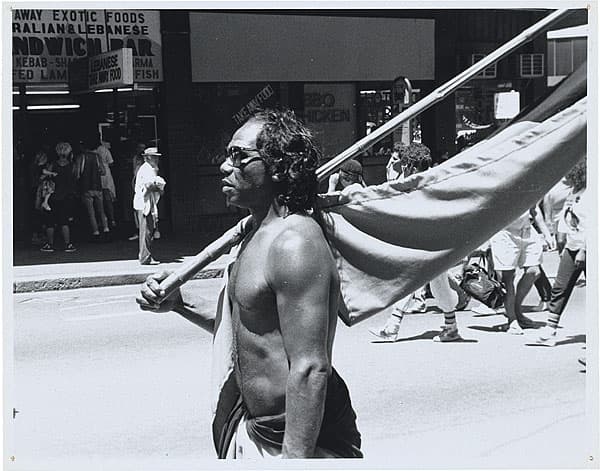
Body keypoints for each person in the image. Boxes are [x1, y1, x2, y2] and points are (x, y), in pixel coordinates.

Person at [138, 109, 362, 458]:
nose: (225, 167)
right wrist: (180, 303)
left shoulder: (294, 242)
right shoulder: (253, 235)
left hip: (295, 442)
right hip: (253, 429)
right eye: (227, 155)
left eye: (239, 156)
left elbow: (309, 366)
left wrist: (295, 460)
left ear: (277, 166)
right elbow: (247, 326)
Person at [370, 142, 467, 342]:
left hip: (429, 242)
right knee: (438, 285)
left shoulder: (422, 183)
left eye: (404, 165)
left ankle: (393, 326)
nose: (402, 168)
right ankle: (451, 326)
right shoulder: (432, 178)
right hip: (433, 241)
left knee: (411, 279)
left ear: (411, 166)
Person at [533, 158, 587, 346]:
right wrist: (560, 238)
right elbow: (566, 216)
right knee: (560, 287)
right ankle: (550, 330)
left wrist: (584, 250)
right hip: (572, 247)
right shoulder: (575, 191)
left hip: (586, 248)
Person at [490, 206, 555, 334]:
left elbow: (534, 209)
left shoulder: (527, 185)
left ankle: (516, 310)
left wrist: (547, 234)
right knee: (508, 278)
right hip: (504, 232)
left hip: (527, 231)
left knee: (534, 271)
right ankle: (512, 320)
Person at [40, 142, 77, 252]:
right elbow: (76, 178)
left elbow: (43, 177)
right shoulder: (72, 165)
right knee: (64, 221)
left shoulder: (52, 165)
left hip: (52, 196)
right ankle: (68, 244)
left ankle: (50, 244)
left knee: (50, 221)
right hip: (67, 196)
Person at [133, 147, 165, 265]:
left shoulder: (150, 168)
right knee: (146, 230)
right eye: (154, 157)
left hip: (146, 202)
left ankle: (144, 255)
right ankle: (145, 257)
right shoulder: (146, 169)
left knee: (148, 230)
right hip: (144, 203)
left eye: (157, 157)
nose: (156, 159)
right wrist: (160, 187)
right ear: (147, 157)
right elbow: (149, 185)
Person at [75, 136, 110, 240]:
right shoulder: (97, 157)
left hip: (86, 187)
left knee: (91, 212)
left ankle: (96, 232)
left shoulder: (81, 157)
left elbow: (77, 174)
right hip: (97, 186)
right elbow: (103, 172)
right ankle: (106, 228)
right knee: (101, 210)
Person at [95, 140, 117, 229]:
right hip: (106, 175)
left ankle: (102, 220)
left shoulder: (93, 152)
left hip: (96, 174)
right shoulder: (105, 149)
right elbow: (111, 162)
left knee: (98, 199)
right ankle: (112, 219)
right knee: (108, 198)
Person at [128, 142, 146, 241]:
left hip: (145, 184)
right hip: (137, 183)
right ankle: (138, 229)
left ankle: (153, 230)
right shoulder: (136, 158)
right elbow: (134, 171)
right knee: (136, 207)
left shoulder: (147, 161)